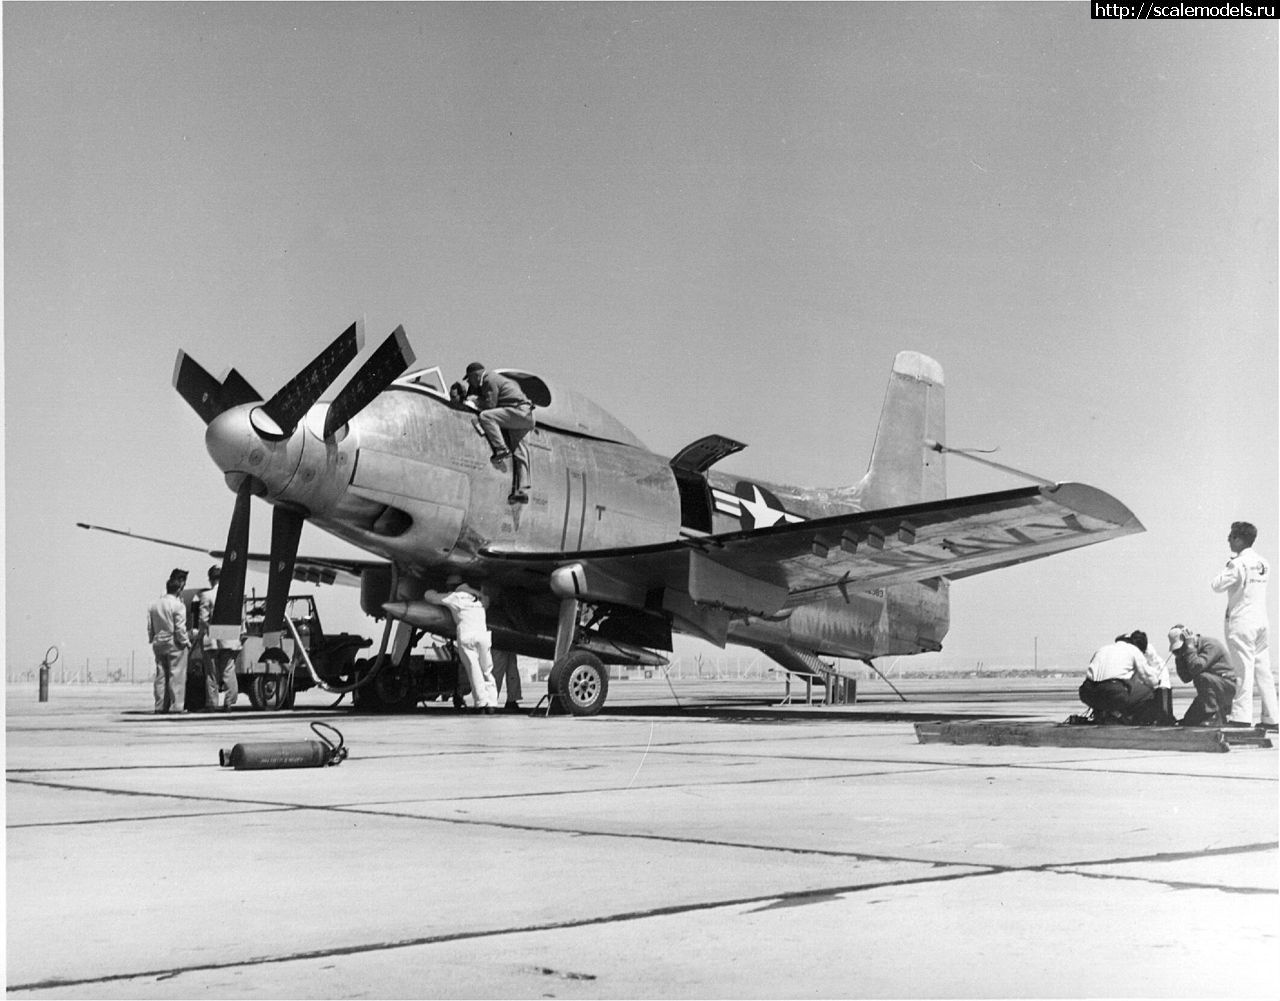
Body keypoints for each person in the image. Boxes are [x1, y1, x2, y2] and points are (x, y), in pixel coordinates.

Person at [1210, 521, 1276, 731]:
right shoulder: (1264, 563)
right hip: (1261, 621)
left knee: (1243, 670)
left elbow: (1217, 585)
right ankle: (1272, 717)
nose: (1228, 540)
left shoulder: (1238, 563)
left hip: (1242, 622)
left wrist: (1229, 563)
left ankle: (1241, 717)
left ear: (1239, 539)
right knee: (1263, 671)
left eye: (1231, 537)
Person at [464, 362, 536, 504]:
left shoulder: (489, 380)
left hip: (518, 412)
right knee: (521, 453)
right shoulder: (496, 379)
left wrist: (475, 400)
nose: (469, 382)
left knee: (486, 416)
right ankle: (522, 490)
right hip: (526, 415)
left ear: (476, 375)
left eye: (469, 379)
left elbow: (490, 405)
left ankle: (501, 449)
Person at [425, 578, 498, 713]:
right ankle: (492, 702)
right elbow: (486, 601)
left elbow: (431, 598)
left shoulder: (456, 597)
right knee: (487, 669)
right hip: (483, 636)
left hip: (467, 637)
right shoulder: (480, 598)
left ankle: (482, 703)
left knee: (473, 670)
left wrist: (430, 588)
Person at [1078, 633, 1161, 723]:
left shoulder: (1102, 649)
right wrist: (1157, 683)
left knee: (1110, 690)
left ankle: (1107, 713)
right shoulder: (1133, 649)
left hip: (1087, 693)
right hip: (1112, 693)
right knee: (1148, 692)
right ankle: (1129, 719)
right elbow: (1149, 677)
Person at [1168, 624, 1237, 727]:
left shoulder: (1210, 645)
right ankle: (1213, 713)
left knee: (1202, 677)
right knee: (1188, 721)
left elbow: (1196, 667)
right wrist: (1179, 658)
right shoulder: (1189, 652)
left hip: (1228, 688)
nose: (1181, 651)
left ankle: (1213, 714)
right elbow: (1185, 678)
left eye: (1180, 648)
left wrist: (1189, 647)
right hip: (1212, 692)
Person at [147, 569, 192, 714]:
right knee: (176, 675)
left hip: (158, 642)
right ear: (179, 588)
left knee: (161, 676)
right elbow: (180, 629)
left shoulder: (154, 604)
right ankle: (176, 706)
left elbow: (150, 627)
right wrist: (186, 642)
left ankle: (160, 706)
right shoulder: (178, 606)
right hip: (174, 643)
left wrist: (152, 639)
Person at [198, 565, 240, 711]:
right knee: (229, 671)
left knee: (212, 674)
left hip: (212, 638)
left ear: (210, 579)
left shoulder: (206, 595)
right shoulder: (234, 594)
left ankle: (212, 703)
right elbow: (240, 618)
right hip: (230, 636)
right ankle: (229, 702)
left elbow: (204, 619)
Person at [1121, 630, 1176, 726]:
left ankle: (1165, 719)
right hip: (1151, 677)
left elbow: (1146, 669)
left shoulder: (1146, 651)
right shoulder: (1137, 650)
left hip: (1158, 677)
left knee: (1162, 706)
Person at [493, 648, 523, 713]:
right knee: (502, 669)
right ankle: (492, 699)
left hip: (505, 643)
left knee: (510, 669)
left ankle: (511, 699)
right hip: (506, 643)